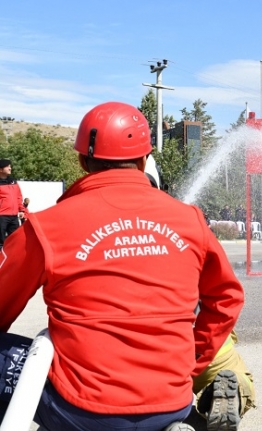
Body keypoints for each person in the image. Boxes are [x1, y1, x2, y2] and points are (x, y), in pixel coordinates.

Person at [0, 102, 247, 431]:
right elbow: (227, 298)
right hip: (171, 402)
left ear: (81, 160)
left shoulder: (45, 227)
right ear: (145, 160)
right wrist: (192, 364)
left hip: (82, 410)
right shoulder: (190, 219)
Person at [0, 159, 26, 248]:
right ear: (1, 169)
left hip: (14, 217)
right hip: (1, 216)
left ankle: (13, 261)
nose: (10, 168)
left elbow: (18, 196)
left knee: (15, 240)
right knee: (1, 241)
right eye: (7, 166)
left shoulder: (13, 182)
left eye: (10, 166)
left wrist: (22, 210)